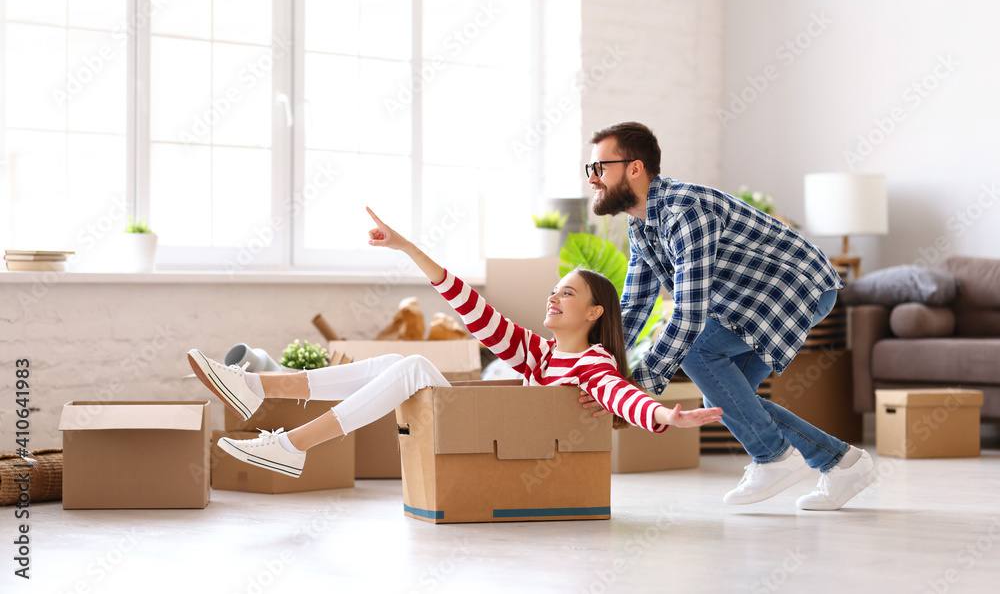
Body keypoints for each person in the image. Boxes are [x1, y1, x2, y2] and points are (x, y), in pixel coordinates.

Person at [188, 207, 723, 478]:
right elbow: (471, 305)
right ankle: (263, 394)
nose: (553, 299)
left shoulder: (591, 362)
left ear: (595, 311)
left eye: (567, 293)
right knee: (403, 361)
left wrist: (663, 417)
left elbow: (618, 393)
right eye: (554, 291)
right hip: (491, 433)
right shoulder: (538, 352)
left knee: (414, 362)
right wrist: (405, 246)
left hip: (505, 447)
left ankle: (287, 436)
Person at [581, 121, 877, 511]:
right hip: (748, 300)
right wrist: (598, 366)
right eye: (590, 170)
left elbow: (689, 313)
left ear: (634, 168)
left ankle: (773, 457)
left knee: (698, 353)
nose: (593, 179)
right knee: (728, 397)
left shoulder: (684, 211)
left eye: (599, 167)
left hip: (793, 287)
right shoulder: (642, 228)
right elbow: (635, 307)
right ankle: (842, 462)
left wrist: (637, 386)